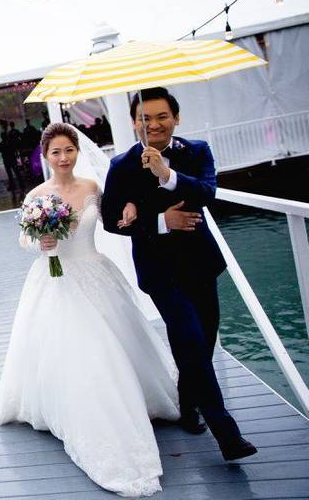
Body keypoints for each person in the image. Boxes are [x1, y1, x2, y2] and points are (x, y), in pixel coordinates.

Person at [0, 122, 180, 496]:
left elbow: (114, 214)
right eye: (55, 153)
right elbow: (24, 239)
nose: (63, 158)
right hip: (56, 281)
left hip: (95, 273)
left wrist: (129, 208)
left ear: (77, 152)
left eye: (69, 150)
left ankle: (136, 400)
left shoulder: (93, 187)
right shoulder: (37, 194)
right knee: (84, 353)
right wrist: (42, 242)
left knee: (118, 342)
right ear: (45, 157)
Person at [102, 87, 257, 463]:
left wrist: (167, 174)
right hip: (160, 273)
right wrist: (159, 221)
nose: (153, 124)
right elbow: (110, 221)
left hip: (201, 265)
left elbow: (207, 193)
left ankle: (188, 405)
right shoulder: (121, 165)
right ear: (133, 122)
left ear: (176, 117)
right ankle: (227, 434)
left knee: (200, 344)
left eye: (161, 116)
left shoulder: (198, 151)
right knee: (188, 338)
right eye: (144, 118)